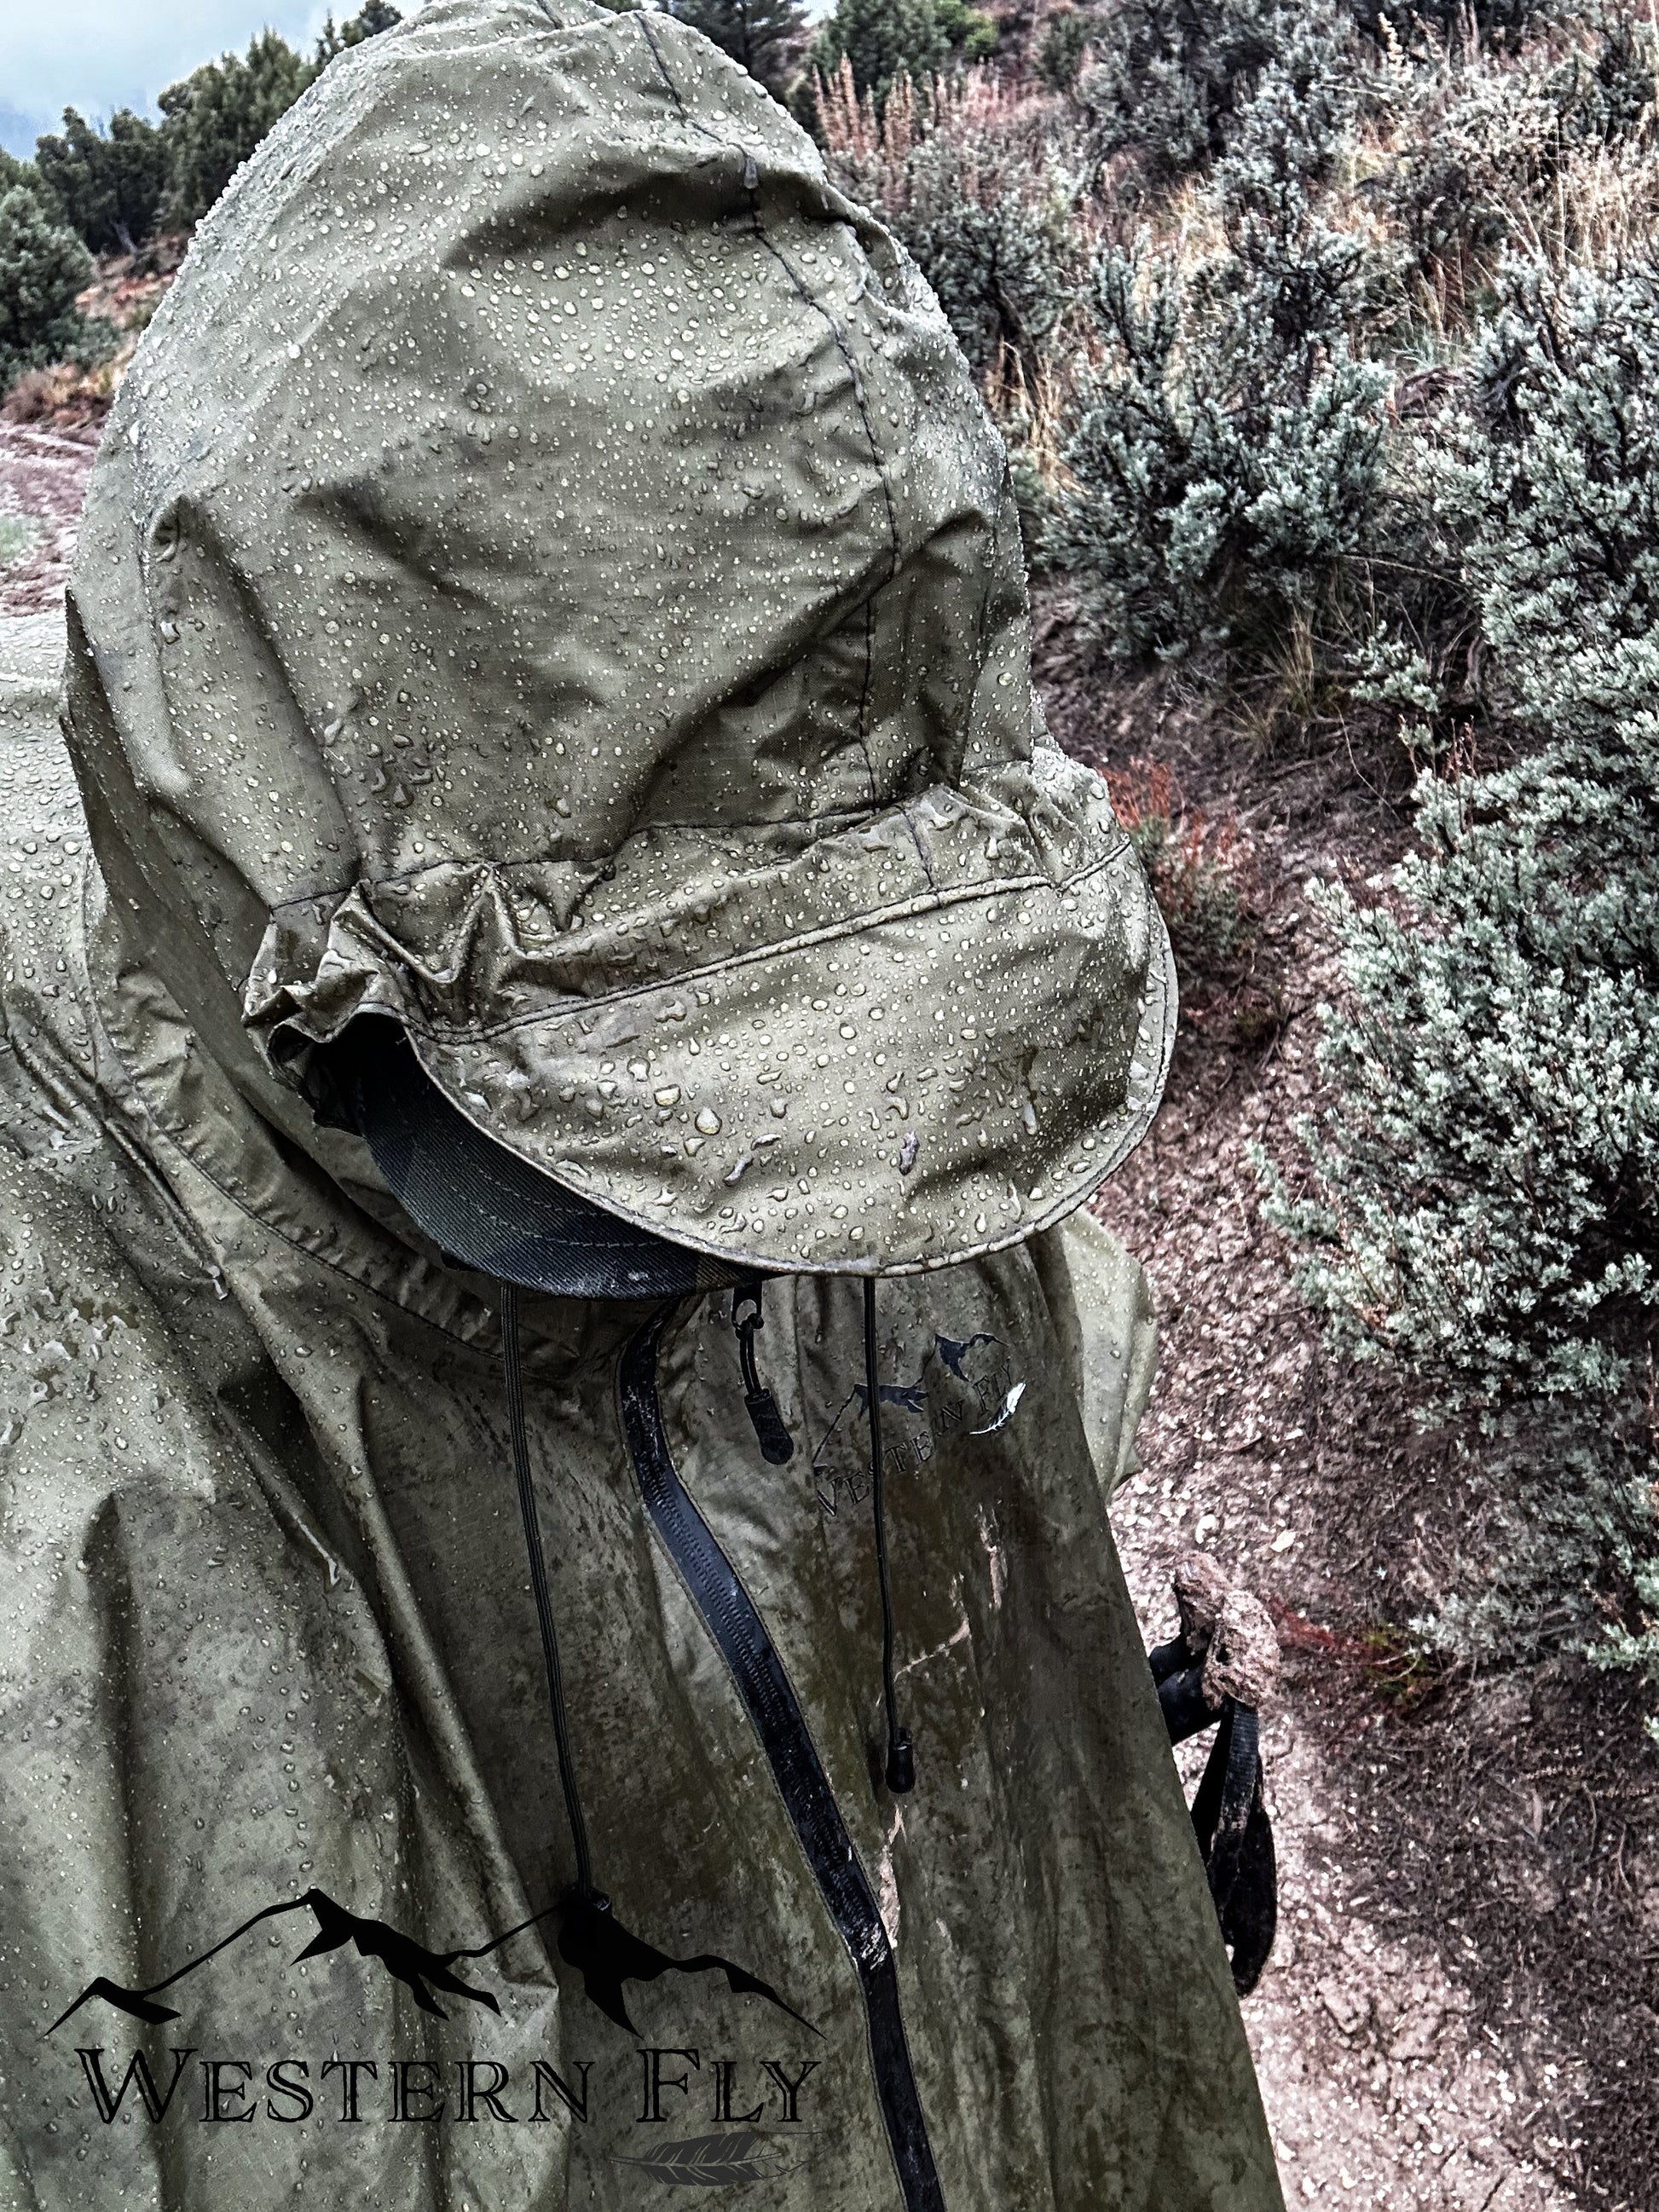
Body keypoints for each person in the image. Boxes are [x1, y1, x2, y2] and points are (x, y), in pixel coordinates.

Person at [0, 3, 1284, 2204]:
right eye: (603, 1118)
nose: (731, 1222)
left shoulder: (885, 1029)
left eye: (782, 1086)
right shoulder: (77, 1410)